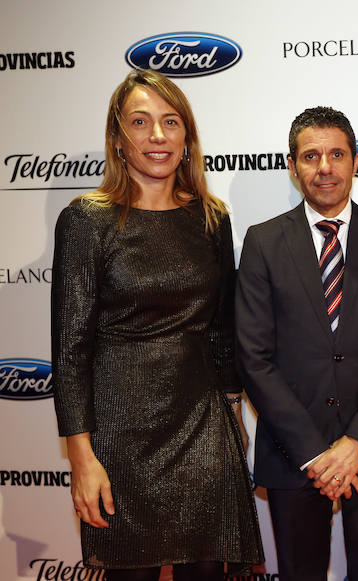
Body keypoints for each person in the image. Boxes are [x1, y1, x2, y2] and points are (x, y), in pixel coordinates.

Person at [51, 69, 264, 580]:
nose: (158, 136)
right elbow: (71, 349)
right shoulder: (86, 220)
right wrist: (82, 459)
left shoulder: (210, 217)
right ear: (118, 138)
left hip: (203, 428)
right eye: (140, 123)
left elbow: (221, 329)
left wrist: (233, 414)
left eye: (171, 122)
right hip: (120, 438)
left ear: (187, 137)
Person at [235, 106, 358, 581]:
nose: (324, 167)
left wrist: (357, 443)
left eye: (336, 154)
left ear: (355, 161)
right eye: (311, 156)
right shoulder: (262, 242)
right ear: (292, 166)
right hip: (294, 454)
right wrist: (317, 454)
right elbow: (253, 359)